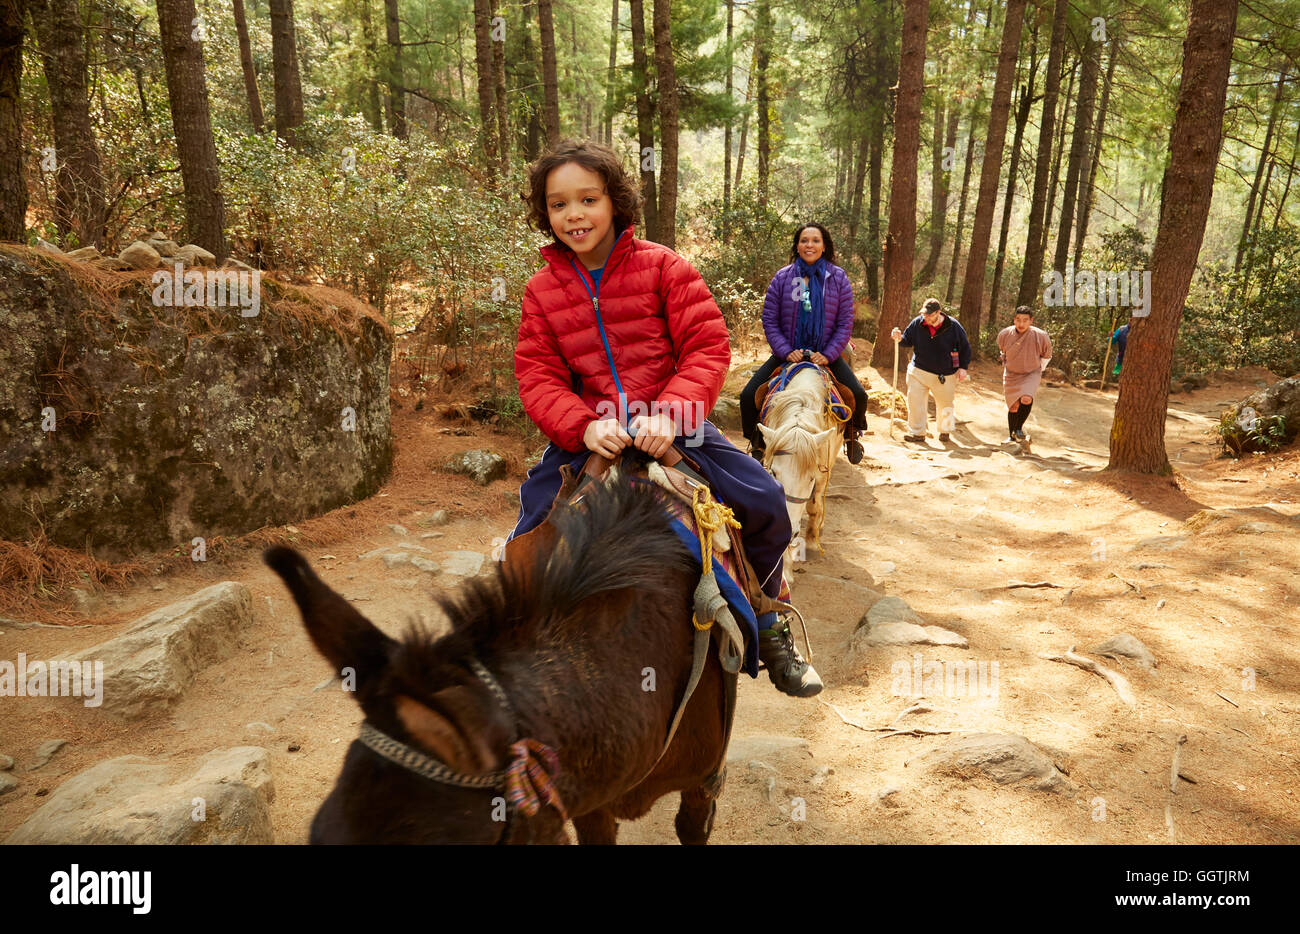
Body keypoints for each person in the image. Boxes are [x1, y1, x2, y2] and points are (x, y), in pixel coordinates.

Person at [508, 139, 821, 697]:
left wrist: (671, 414)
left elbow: (706, 345)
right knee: (527, 534)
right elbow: (537, 374)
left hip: (677, 430)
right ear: (545, 213)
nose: (574, 215)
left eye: (588, 199)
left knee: (766, 502)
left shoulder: (664, 267)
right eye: (558, 205)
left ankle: (773, 620)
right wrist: (583, 425)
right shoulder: (542, 290)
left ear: (615, 202)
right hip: (591, 438)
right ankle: (516, 650)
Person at [739, 223, 869, 464]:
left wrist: (828, 355)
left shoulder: (838, 278)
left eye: (815, 240)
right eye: (804, 240)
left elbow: (845, 322)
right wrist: (786, 351)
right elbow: (770, 319)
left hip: (825, 354)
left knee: (859, 396)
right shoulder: (783, 277)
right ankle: (757, 442)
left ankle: (852, 436)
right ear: (797, 246)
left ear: (824, 246)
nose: (809, 245)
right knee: (748, 396)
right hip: (787, 353)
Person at [889, 297, 971, 443]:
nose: (925, 317)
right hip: (919, 370)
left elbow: (965, 347)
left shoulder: (953, 326)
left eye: (929, 315)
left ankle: (945, 431)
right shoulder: (917, 323)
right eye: (924, 314)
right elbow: (907, 339)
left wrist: (963, 367)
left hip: (945, 373)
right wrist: (898, 337)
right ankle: (917, 433)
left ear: (938, 313)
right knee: (915, 401)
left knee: (945, 403)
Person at [997, 306, 1053, 443]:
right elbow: (1002, 351)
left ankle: (1018, 429)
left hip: (1031, 373)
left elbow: (1047, 355)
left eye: (1025, 320)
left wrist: (1039, 369)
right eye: (1018, 320)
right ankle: (1011, 436)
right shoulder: (1005, 334)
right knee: (1014, 406)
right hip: (1011, 373)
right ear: (1014, 320)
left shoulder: (1041, 336)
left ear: (1031, 321)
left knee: (1026, 398)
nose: (1021, 324)